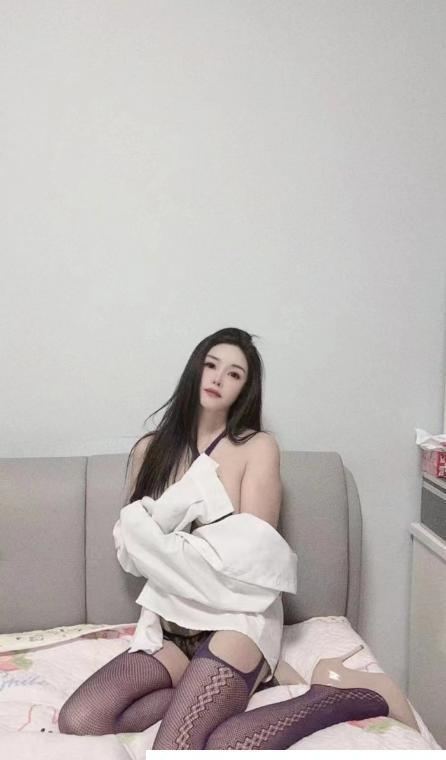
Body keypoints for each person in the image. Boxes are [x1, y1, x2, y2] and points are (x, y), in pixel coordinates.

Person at [58, 327, 419, 749]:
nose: (218, 378)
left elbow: (253, 557)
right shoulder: (149, 451)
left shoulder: (256, 448)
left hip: (238, 620)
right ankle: (235, 687)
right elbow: (132, 553)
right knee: (80, 719)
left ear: (245, 389)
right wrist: (188, 547)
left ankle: (346, 694)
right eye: (211, 365)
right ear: (194, 370)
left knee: (181, 748)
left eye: (234, 374)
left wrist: (166, 544)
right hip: (173, 623)